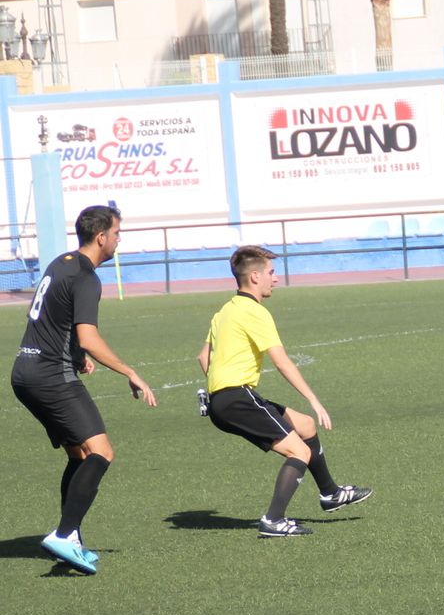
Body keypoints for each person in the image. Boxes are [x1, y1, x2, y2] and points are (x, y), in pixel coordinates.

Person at [11, 205, 158, 574]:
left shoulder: (61, 262)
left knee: (79, 454)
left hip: (25, 371)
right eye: (117, 233)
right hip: (49, 375)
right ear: (101, 237)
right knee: (101, 452)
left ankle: (69, 541)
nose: (118, 240)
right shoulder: (87, 277)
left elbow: (53, 316)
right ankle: (64, 534)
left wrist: (75, 356)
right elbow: (88, 336)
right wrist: (130, 371)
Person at [198, 245, 371, 536]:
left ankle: (330, 493)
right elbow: (282, 362)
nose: (275, 279)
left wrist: (217, 392)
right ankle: (274, 520)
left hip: (227, 398)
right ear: (254, 277)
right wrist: (314, 398)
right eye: (271, 272)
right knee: (300, 452)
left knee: (304, 425)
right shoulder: (254, 312)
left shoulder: (224, 311)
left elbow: (203, 357)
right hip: (237, 397)